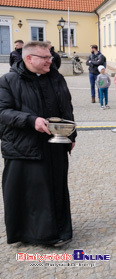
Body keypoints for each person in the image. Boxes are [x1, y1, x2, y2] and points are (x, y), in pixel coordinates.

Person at [0, 41, 76, 246]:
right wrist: (31, 120)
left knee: (56, 188)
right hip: (23, 146)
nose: (50, 61)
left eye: (50, 57)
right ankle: (34, 235)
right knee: (32, 192)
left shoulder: (56, 78)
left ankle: (60, 231)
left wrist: (72, 136)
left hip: (55, 144)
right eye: (45, 58)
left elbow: (66, 108)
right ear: (29, 58)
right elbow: (3, 112)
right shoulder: (8, 81)